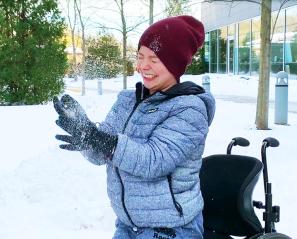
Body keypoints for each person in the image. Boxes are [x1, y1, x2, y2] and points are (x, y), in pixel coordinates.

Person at [53, 15, 215, 239]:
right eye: (140, 57)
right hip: (128, 225)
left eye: (154, 59)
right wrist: (86, 135)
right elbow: (101, 154)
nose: (143, 66)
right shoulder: (127, 100)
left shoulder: (189, 109)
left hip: (172, 228)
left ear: (175, 63)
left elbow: (154, 160)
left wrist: (100, 139)